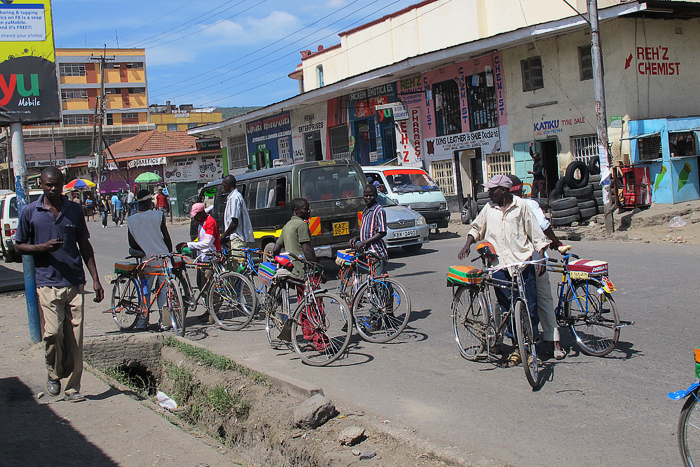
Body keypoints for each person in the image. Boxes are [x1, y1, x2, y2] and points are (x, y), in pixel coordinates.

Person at [14, 166, 104, 403]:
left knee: (75, 338)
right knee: (53, 333)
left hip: (74, 282)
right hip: (46, 282)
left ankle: (73, 388)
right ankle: (53, 374)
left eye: (56, 184)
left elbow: (85, 246)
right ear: (41, 184)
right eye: (48, 184)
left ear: (63, 184)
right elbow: (19, 245)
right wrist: (42, 248)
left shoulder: (74, 210)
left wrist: (95, 279)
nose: (52, 189)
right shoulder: (30, 212)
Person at [458, 174, 549, 367]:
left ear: (505, 190)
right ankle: (517, 348)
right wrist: (467, 244)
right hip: (499, 266)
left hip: (522, 263)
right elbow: (476, 228)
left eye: (493, 189)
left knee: (529, 307)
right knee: (507, 309)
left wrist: (540, 255)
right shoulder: (488, 209)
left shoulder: (521, 206)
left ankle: (533, 349)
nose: (489, 193)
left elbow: (537, 234)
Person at [508, 174, 566, 360]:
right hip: (535, 261)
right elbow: (544, 225)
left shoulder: (499, 208)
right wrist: (556, 242)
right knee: (544, 301)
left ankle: (518, 343)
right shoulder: (530, 204)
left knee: (514, 302)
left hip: (512, 263)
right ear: (521, 190)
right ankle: (555, 344)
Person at [272, 198, 328, 351]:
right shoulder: (302, 225)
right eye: (306, 209)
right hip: (306, 272)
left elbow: (276, 250)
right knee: (315, 306)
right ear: (296, 211)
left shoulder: (287, 226)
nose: (309, 211)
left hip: (295, 273)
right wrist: (318, 269)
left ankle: (309, 337)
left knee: (304, 305)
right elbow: (307, 249)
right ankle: (320, 341)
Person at [127, 189, 174, 331]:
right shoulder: (158, 215)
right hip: (163, 259)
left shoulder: (131, 220)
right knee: (164, 293)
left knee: (144, 293)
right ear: (149, 202)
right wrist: (169, 252)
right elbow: (166, 237)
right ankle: (165, 322)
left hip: (147, 261)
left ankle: (142, 322)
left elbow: (132, 244)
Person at [181, 203, 221, 323]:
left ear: (201, 213)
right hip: (202, 259)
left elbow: (207, 242)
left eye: (196, 216)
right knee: (201, 285)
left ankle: (214, 312)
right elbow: (200, 241)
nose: (195, 219)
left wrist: (189, 244)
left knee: (210, 287)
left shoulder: (210, 222)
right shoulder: (201, 223)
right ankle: (209, 309)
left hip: (210, 258)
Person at [349, 184, 388, 275]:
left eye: (371, 195)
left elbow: (382, 232)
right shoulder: (365, 211)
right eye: (366, 195)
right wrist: (357, 238)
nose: (368, 198)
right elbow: (368, 232)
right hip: (367, 253)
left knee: (379, 283)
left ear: (376, 196)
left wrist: (363, 242)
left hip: (376, 253)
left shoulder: (379, 211)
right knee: (371, 282)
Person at [220, 175, 254, 263]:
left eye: (223, 185)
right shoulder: (233, 197)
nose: (223, 187)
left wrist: (223, 236)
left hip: (238, 239)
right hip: (235, 238)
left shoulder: (234, 198)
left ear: (227, 185)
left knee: (239, 267)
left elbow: (234, 222)